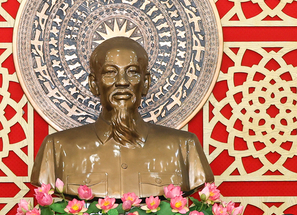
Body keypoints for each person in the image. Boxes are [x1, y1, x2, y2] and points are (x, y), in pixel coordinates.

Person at [30, 37, 214, 198]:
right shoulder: (56, 148)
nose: (122, 82)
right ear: (94, 84)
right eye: (110, 73)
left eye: (132, 72)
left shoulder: (184, 147)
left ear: (145, 83)